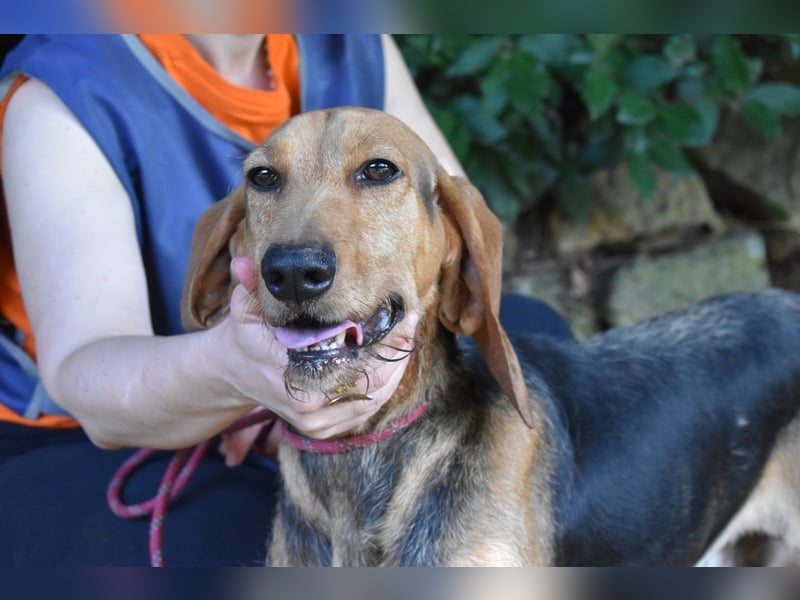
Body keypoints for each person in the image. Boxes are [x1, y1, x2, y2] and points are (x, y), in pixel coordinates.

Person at [0, 34, 572, 566]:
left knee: (532, 333)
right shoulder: (62, 93)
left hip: (289, 360)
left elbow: (451, 239)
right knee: (254, 541)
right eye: (267, 179)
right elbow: (86, 383)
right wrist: (230, 377)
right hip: (87, 436)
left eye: (374, 171)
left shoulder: (351, 37)